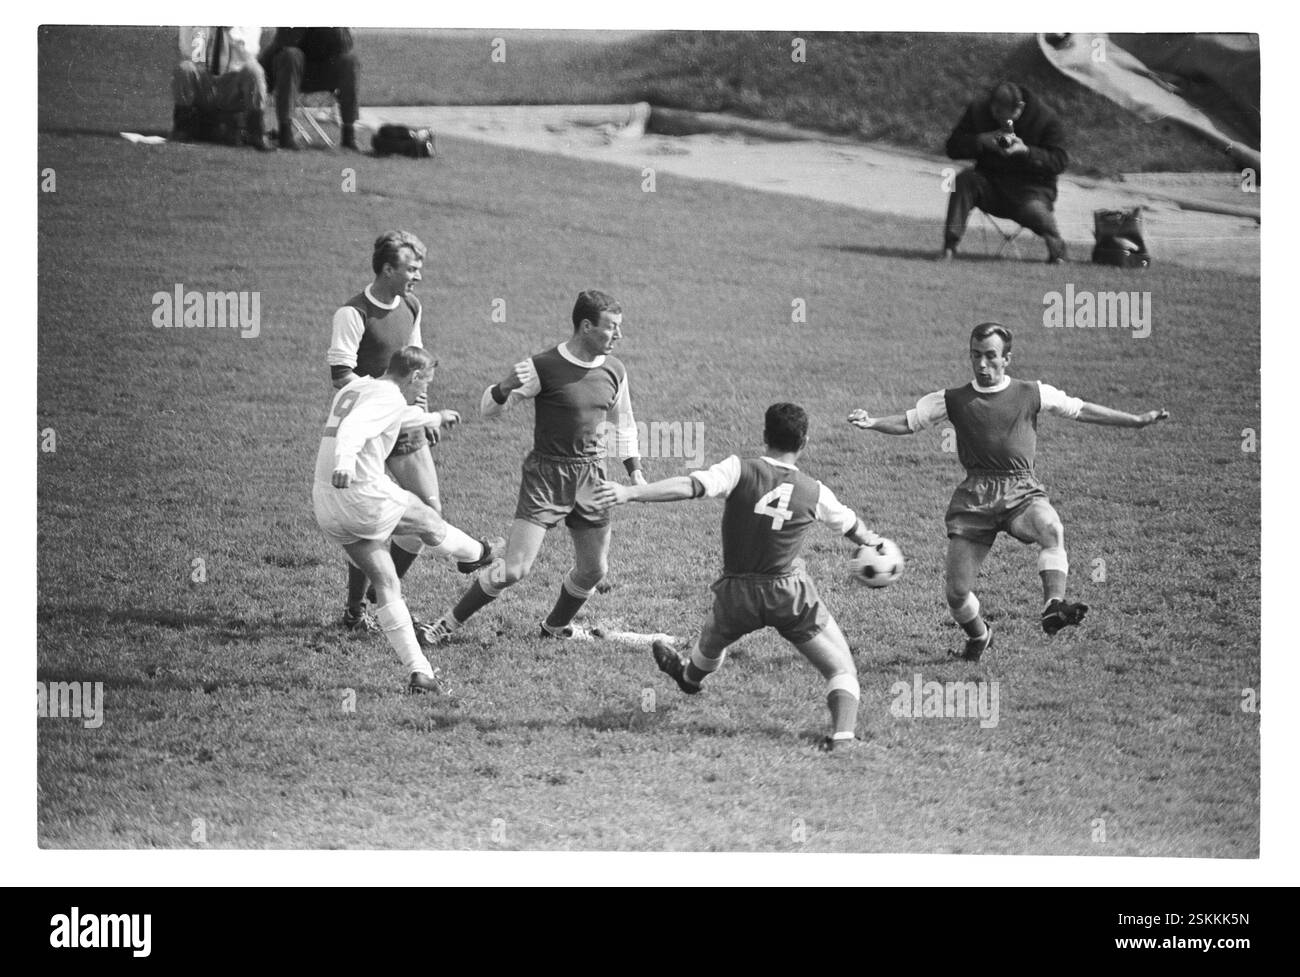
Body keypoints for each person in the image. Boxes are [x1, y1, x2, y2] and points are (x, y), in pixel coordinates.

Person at [848, 322, 1168, 661]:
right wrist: (873, 422)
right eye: (976, 356)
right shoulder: (952, 399)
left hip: (1020, 488)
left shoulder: (1032, 392)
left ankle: (1053, 605)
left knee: (1051, 528)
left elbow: (1081, 409)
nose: (982, 365)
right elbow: (909, 421)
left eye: (990, 357)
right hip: (975, 495)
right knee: (957, 594)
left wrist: (1133, 420)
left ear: (1007, 359)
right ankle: (980, 636)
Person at [599, 404, 879, 753]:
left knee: (712, 643)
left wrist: (631, 492)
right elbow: (852, 526)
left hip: (736, 593)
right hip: (787, 594)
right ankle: (843, 739)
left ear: (764, 436)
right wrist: (873, 542)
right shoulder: (815, 491)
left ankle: (688, 678)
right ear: (804, 441)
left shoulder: (738, 469)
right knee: (841, 668)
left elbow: (689, 485)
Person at [421, 290, 646, 645]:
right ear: (587, 327)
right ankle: (446, 624)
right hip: (547, 476)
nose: (618, 335)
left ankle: (554, 628)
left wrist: (634, 471)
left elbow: (625, 423)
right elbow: (488, 409)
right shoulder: (543, 366)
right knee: (514, 569)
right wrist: (504, 386)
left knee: (594, 569)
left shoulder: (615, 370)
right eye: (612, 328)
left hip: (592, 476)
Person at [327, 231, 488, 634]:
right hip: (369, 428)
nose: (418, 276)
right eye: (411, 268)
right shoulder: (353, 314)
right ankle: (360, 610)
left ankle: (372, 604)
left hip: (404, 423)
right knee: (367, 525)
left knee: (426, 513)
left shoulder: (412, 305)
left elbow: (418, 365)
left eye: (419, 268)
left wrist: (420, 411)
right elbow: (341, 376)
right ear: (386, 269)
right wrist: (385, 404)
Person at [313, 347, 499, 693]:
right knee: (428, 519)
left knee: (386, 583)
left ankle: (421, 673)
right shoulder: (387, 397)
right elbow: (354, 429)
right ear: (414, 376)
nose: (423, 392)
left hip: (327, 505)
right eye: (425, 384)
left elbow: (390, 418)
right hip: (360, 492)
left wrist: (434, 418)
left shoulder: (358, 388)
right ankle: (476, 554)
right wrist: (345, 461)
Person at [942, 81, 1068, 264]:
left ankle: (1057, 251)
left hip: (1032, 191)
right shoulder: (978, 111)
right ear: (991, 107)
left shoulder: (1046, 119)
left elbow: (1060, 161)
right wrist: (980, 140)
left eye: (1009, 117)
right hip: (990, 185)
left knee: (1036, 212)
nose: (1005, 123)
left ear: (1021, 107)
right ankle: (949, 246)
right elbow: (952, 148)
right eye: (997, 116)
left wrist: (1027, 151)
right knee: (964, 181)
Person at [260, 28, 360, 150]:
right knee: (291, 55)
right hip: (293, 72)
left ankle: (349, 136)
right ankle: (285, 133)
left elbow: (346, 45)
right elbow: (283, 41)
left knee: (350, 60)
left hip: (323, 72)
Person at [172, 27, 269, 149]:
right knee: (185, 68)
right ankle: (182, 129)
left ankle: (257, 133)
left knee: (254, 70)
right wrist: (203, 31)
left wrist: (230, 32)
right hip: (204, 82)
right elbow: (186, 51)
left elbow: (250, 53)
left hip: (233, 85)